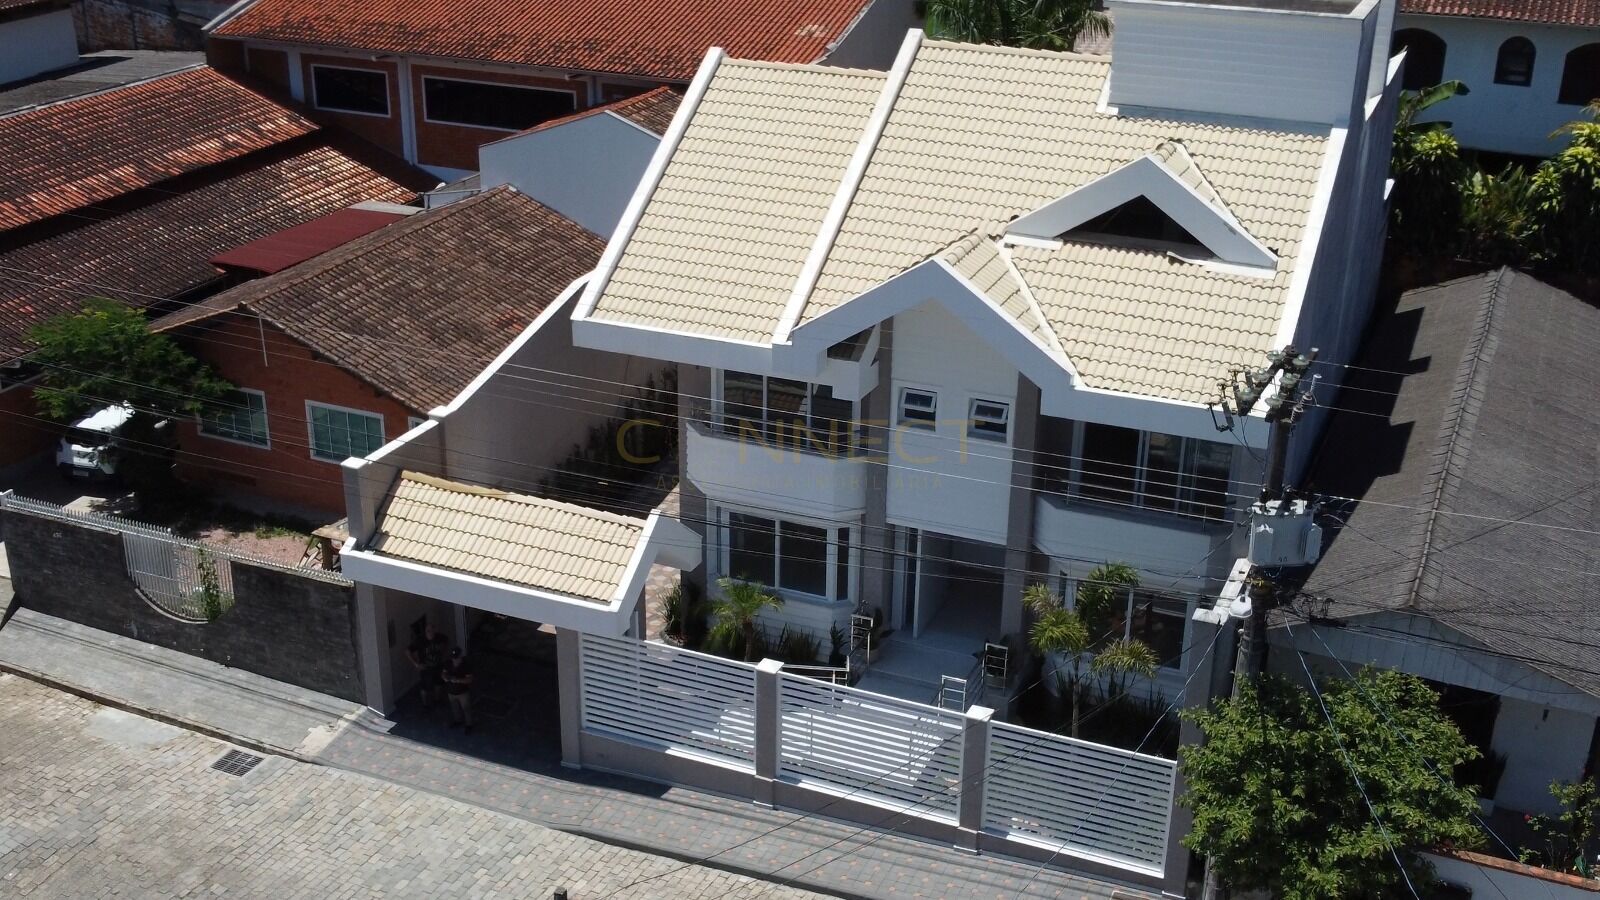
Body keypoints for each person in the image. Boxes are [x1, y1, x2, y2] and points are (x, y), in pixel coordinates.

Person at [406, 621, 448, 708]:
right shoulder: (420, 640)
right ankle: (425, 704)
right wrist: (416, 664)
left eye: (432, 630)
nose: (430, 633)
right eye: (428, 631)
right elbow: (407, 651)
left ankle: (437, 700)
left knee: (438, 683)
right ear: (425, 631)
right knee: (425, 686)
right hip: (426, 668)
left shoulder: (440, 637)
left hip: (437, 665)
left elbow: (446, 643)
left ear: (434, 630)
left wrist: (443, 655)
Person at [442, 646, 474, 733]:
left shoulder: (466, 665)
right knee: (454, 707)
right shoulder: (448, 663)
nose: (455, 660)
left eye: (456, 658)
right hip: (451, 691)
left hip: (462, 692)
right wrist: (446, 678)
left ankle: (469, 725)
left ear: (460, 657)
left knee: (466, 709)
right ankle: (457, 721)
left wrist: (458, 680)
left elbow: (469, 679)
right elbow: (443, 674)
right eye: (453, 658)